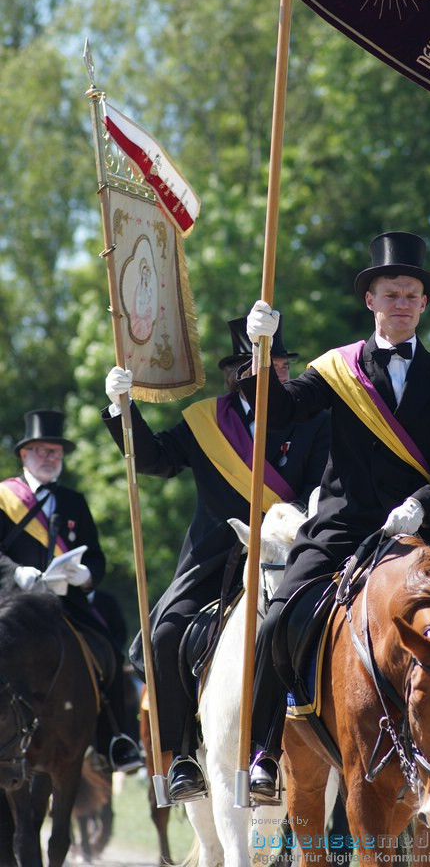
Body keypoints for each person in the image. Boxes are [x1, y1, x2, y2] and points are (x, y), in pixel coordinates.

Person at [243, 232, 430, 808]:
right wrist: (260, 354)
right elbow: (282, 412)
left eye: (411, 295)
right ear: (371, 300)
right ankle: (266, 749)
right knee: (278, 620)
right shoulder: (336, 369)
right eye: (391, 293)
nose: (401, 302)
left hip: (427, 523)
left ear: (423, 305)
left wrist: (425, 503)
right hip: (347, 522)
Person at [103, 314, 330, 803]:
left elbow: (320, 485)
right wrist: (121, 408)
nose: (279, 374)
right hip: (214, 558)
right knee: (165, 632)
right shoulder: (206, 421)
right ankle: (183, 753)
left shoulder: (315, 420)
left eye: (283, 366)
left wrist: (293, 519)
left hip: (291, 552)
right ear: (239, 372)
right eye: (265, 364)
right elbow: (156, 459)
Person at [0, 410, 142, 773]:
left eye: (55, 453)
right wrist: (18, 573)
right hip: (15, 604)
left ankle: (116, 740)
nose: (49, 459)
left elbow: (95, 555)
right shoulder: (4, 498)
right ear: (24, 455)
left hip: (66, 603)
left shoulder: (74, 500)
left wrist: (84, 576)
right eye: (42, 451)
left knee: (110, 654)